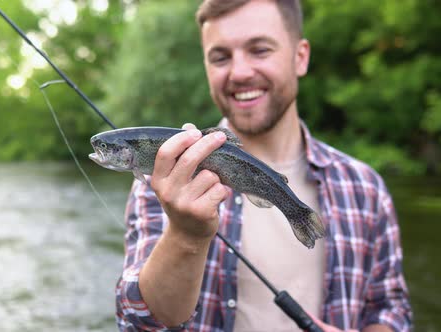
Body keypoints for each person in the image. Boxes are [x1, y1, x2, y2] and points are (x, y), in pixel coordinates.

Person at [115, 0, 412, 331]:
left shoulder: (366, 188)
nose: (240, 72)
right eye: (220, 57)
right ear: (205, 66)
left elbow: (390, 308)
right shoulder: (165, 178)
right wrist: (185, 235)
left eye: (259, 50)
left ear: (300, 57)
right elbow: (139, 323)